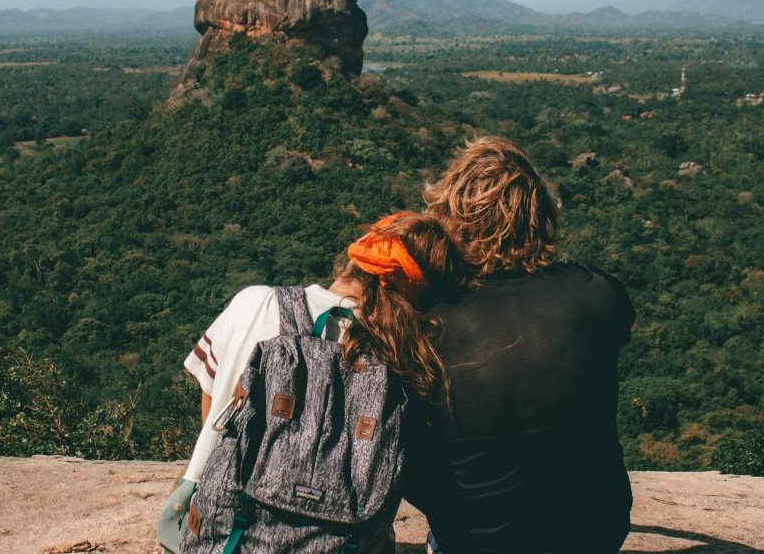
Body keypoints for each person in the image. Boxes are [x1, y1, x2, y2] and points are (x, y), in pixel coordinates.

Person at [158, 212, 471, 553]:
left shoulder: (256, 302)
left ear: (355, 259)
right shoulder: (403, 357)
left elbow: (213, 415)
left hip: (225, 528)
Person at [408, 136, 636, 553]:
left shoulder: (428, 319)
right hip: (595, 531)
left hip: (475, 540)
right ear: (541, 215)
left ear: (447, 218)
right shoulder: (599, 294)